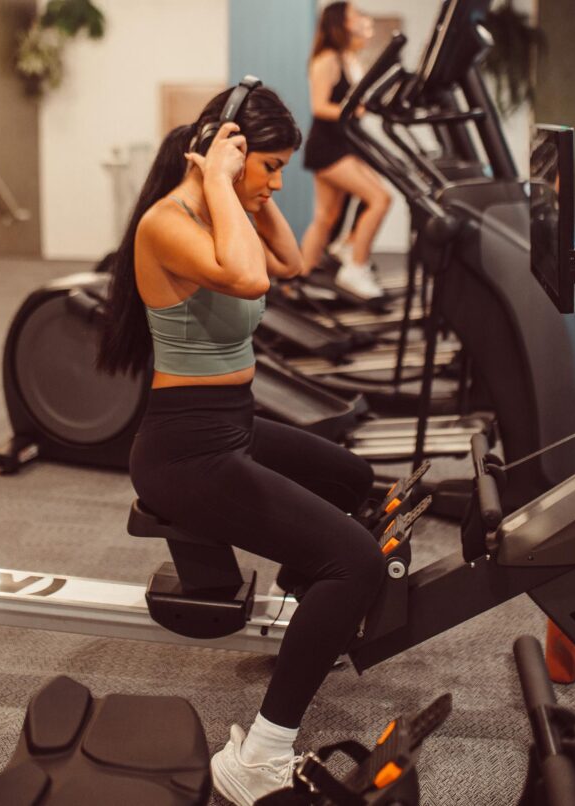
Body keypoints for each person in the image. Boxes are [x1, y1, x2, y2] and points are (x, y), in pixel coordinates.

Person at [97, 85, 386, 806]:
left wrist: (245, 191)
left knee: (355, 477)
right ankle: (258, 757)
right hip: (184, 452)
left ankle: (311, 602)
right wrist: (225, 181)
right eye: (273, 166)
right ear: (226, 152)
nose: (280, 181)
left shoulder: (226, 210)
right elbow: (250, 274)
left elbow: (286, 261)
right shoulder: (167, 224)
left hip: (231, 423)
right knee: (356, 562)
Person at [300, 1, 393, 298]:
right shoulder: (327, 59)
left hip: (343, 143)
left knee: (327, 216)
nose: (360, 17)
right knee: (379, 198)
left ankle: (301, 278)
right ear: (340, 22)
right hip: (328, 145)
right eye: (354, 14)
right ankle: (355, 266)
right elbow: (319, 106)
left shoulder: (348, 57)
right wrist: (352, 111)